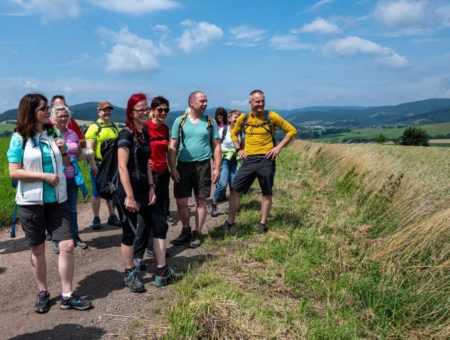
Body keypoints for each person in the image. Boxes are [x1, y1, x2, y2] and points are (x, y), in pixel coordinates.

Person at [7, 93, 92, 313]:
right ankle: (42, 292)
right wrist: (43, 177)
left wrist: (63, 149)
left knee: (67, 245)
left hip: (58, 199)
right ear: (31, 112)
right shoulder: (19, 138)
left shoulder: (51, 134)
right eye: (43, 108)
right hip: (31, 202)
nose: (48, 112)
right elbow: (14, 172)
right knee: (38, 250)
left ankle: (67, 294)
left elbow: (65, 162)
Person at [116, 93, 180, 292]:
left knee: (160, 225)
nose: (144, 112)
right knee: (129, 232)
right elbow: (122, 167)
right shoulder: (125, 134)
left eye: (145, 109)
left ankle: (162, 273)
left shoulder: (144, 133)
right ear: (131, 112)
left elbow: (146, 163)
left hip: (145, 188)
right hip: (127, 190)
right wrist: (129, 196)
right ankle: (130, 273)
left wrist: (151, 187)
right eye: (140, 110)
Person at [224, 89, 297, 233]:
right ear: (250, 102)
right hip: (249, 159)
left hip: (266, 159)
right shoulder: (244, 118)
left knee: (266, 193)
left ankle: (263, 223)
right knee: (235, 190)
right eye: (257, 101)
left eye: (263, 101)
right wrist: (239, 149)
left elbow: (292, 131)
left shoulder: (271, 116)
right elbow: (233, 133)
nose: (261, 104)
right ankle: (230, 222)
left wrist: (278, 148)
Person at [169, 91, 221, 248]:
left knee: (201, 199)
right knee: (181, 200)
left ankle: (197, 232)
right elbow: (173, 145)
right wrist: (172, 167)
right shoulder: (180, 121)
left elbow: (217, 145)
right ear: (191, 102)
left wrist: (216, 167)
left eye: (206, 101)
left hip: (203, 165)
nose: (205, 104)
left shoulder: (210, 122)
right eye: (201, 101)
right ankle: (186, 230)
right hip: (184, 165)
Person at [133, 96, 172, 268]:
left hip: (163, 174)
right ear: (153, 110)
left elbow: (167, 151)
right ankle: (137, 256)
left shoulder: (164, 128)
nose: (163, 113)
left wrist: (173, 168)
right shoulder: (146, 128)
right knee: (146, 217)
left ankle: (153, 247)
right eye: (160, 110)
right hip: (149, 176)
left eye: (166, 110)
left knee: (162, 213)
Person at [50, 104, 88, 253]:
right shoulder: (49, 134)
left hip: (71, 176)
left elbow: (78, 153)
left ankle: (75, 236)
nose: (64, 118)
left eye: (66, 116)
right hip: (56, 178)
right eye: (60, 116)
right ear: (53, 118)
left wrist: (78, 151)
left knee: (72, 209)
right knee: (56, 209)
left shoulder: (72, 133)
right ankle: (56, 239)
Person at [85, 101, 121, 229]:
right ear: (98, 112)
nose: (107, 112)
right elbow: (89, 149)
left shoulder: (113, 126)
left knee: (111, 190)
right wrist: (93, 165)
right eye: (104, 110)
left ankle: (112, 216)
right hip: (98, 164)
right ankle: (96, 218)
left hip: (112, 165)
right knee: (96, 192)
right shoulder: (94, 127)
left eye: (109, 110)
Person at [211, 109, 241, 217]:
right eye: (235, 117)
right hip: (224, 159)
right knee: (223, 184)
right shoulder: (223, 131)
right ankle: (214, 202)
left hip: (235, 160)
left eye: (239, 117)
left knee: (234, 185)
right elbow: (216, 147)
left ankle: (233, 207)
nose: (237, 119)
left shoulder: (240, 131)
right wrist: (215, 164)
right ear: (229, 118)